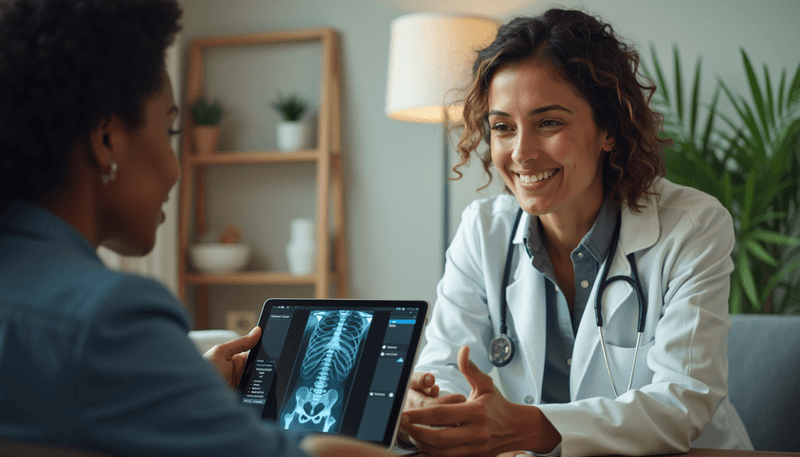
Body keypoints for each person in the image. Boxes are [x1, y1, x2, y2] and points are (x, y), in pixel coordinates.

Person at [0, 1, 394, 456]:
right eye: (170, 131)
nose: (175, 168)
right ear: (107, 140)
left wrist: (184, 386)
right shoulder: (109, 317)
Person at [399, 9, 754, 457]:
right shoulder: (481, 230)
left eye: (549, 122)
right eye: (503, 127)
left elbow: (680, 403)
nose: (522, 153)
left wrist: (527, 427)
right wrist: (425, 404)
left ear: (608, 129)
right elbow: (446, 366)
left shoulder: (692, 226)